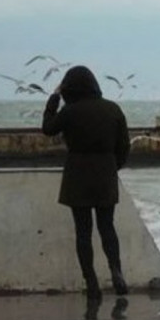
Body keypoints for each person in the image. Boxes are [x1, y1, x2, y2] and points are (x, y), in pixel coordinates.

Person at [42, 65, 131, 300]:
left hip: (77, 175)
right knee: (107, 227)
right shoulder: (113, 109)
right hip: (105, 174)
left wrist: (54, 97)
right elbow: (124, 147)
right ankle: (116, 270)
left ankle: (91, 282)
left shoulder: (70, 112)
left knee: (83, 232)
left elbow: (48, 128)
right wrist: (113, 167)